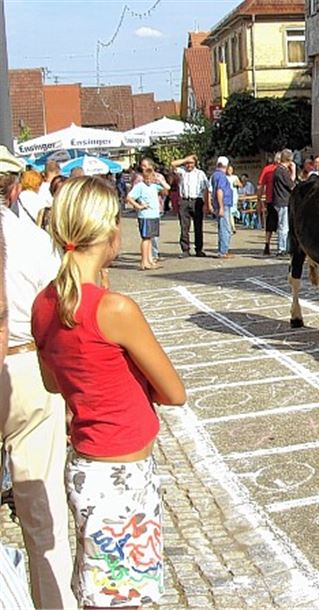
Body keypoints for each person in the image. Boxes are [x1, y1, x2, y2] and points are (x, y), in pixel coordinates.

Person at [31, 176, 186, 607]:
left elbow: (51, 382)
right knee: (120, 596)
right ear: (108, 231)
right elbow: (174, 392)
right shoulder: (114, 309)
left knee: (103, 588)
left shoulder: (45, 303)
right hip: (123, 474)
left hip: (86, 465)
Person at [0, 159, 76, 610]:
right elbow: (57, 315)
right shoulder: (31, 240)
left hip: (26, 364)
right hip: (28, 366)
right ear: (13, 190)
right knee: (43, 513)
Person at [126, 160, 167, 270]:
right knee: (146, 239)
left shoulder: (154, 186)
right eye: (147, 178)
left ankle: (150, 260)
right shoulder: (140, 186)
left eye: (151, 178)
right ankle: (144, 262)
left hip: (154, 214)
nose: (149, 180)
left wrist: (159, 180)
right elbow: (129, 197)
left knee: (150, 238)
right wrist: (138, 206)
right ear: (144, 177)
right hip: (145, 215)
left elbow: (167, 189)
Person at [171, 154, 210, 258]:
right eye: (187, 163)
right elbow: (172, 164)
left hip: (197, 200)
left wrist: (206, 203)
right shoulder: (182, 171)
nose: (189, 165)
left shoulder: (200, 174)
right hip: (184, 200)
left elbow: (207, 188)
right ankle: (185, 249)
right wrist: (185, 159)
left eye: (191, 163)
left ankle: (199, 249)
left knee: (198, 227)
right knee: (184, 227)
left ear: (195, 163)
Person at [210, 156, 236, 258]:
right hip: (223, 205)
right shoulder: (221, 176)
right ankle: (223, 251)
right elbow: (220, 191)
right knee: (225, 229)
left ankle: (223, 250)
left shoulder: (215, 175)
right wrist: (221, 207)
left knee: (223, 228)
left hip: (221, 205)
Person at [273, 149, 296, 256]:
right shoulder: (282, 171)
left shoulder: (278, 170)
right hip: (283, 201)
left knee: (283, 225)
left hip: (279, 200)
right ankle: (282, 248)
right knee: (284, 226)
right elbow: (291, 185)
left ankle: (283, 247)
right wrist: (294, 171)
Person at [258, 153, 279, 255]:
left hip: (270, 199)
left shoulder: (267, 169)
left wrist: (259, 199)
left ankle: (267, 244)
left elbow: (260, 185)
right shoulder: (283, 169)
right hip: (281, 199)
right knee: (282, 224)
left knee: (270, 224)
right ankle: (282, 246)